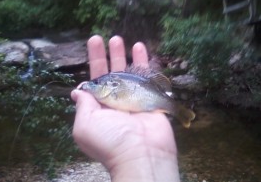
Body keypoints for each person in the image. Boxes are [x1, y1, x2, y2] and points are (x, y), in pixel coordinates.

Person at [71, 35, 180, 182]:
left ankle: (180, 111)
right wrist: (127, 158)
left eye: (96, 83)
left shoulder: (112, 91)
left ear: (110, 85)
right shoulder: (110, 90)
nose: (92, 84)